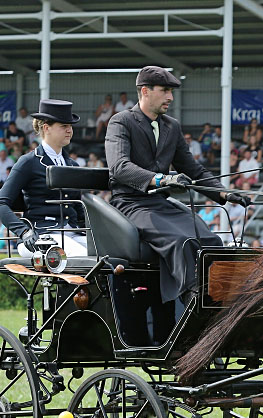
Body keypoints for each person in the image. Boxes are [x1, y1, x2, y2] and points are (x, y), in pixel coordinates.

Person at [104, 65, 248, 303]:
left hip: (160, 204)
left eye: (171, 91)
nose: (170, 97)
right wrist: (161, 179)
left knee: (213, 241)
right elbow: (119, 167)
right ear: (145, 91)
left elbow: (193, 169)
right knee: (181, 242)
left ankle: (221, 300)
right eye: (165, 91)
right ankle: (192, 302)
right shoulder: (121, 122)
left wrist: (224, 194)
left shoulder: (172, 126)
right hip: (130, 203)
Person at [0, 99, 88, 258]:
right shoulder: (28, 162)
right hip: (40, 235)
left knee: (109, 253)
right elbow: (0, 204)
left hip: (72, 232)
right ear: (46, 128)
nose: (69, 130)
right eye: (64, 126)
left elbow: (77, 209)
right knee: (84, 255)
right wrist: (23, 232)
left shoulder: (73, 165)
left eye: (70, 126)